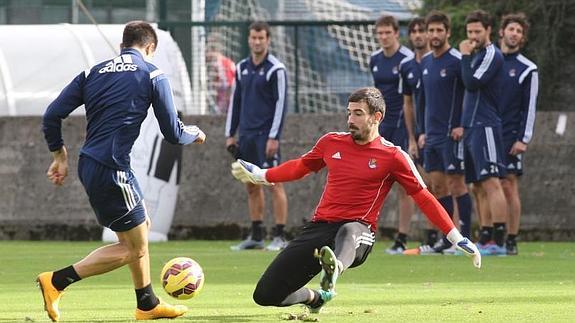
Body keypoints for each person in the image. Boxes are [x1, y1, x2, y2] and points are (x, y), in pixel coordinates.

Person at [229, 87, 480, 313]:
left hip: (359, 233)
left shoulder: (394, 156)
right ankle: (316, 297)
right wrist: (261, 174)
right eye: (349, 113)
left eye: (358, 113)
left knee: (348, 231)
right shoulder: (330, 142)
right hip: (319, 228)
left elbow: (423, 197)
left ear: (377, 117)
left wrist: (456, 237)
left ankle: (334, 269)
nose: (350, 120)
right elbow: (300, 167)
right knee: (265, 294)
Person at [38, 21, 206, 322]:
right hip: (112, 168)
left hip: (91, 163)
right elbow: (172, 131)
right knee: (134, 248)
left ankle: (147, 303)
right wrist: (194, 132)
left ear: (121, 46)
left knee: (140, 228)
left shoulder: (93, 72)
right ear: (150, 47)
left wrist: (59, 155)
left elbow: (52, 114)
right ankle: (56, 281)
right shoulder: (152, 74)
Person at [225, 21, 289, 251]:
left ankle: (280, 235)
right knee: (251, 185)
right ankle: (257, 235)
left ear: (268, 40)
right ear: (248, 39)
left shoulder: (276, 69)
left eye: (261, 38)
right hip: (247, 136)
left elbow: (282, 105)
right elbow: (236, 102)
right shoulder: (241, 68)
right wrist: (230, 134)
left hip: (266, 136)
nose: (257, 41)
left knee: (274, 183)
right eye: (253, 37)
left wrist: (274, 136)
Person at [415, 11, 474, 254]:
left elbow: (469, 94)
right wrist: (421, 131)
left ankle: (466, 238)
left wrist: (462, 124)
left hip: (452, 134)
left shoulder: (457, 61)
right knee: (437, 187)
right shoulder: (426, 62)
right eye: (432, 30)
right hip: (432, 135)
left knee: (457, 184)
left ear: (448, 32)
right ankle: (447, 238)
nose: (435, 34)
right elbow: (422, 100)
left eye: (440, 30)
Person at [459, 10, 508, 255]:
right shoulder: (475, 55)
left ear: (488, 30)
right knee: (476, 186)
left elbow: (471, 82)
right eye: (470, 32)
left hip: (485, 125)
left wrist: (465, 56)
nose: (473, 36)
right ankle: (486, 236)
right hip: (470, 127)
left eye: (478, 31)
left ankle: (500, 241)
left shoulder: (491, 54)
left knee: (491, 182)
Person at [369, 15, 416, 254]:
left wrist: (411, 134)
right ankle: (364, 230)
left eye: (388, 32)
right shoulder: (375, 59)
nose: (384, 37)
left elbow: (411, 98)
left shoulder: (407, 59)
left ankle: (403, 236)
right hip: (380, 129)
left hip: (401, 127)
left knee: (405, 184)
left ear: (397, 33)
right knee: (371, 179)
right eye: (381, 33)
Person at [498, 13, 539, 255]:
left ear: (522, 38)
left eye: (519, 31)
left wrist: (523, 138)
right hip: (487, 134)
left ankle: (511, 238)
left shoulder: (527, 68)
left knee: (509, 184)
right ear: (502, 31)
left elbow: (529, 107)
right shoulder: (489, 61)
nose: (514, 33)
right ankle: (492, 236)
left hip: (511, 135)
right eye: (511, 28)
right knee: (483, 186)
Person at [399, 17, 440, 249]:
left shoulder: (435, 63)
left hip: (437, 132)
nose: (418, 35)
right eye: (413, 31)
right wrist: (412, 138)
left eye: (421, 30)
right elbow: (409, 103)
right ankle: (431, 236)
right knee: (422, 185)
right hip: (419, 135)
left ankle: (447, 236)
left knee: (440, 185)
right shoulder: (407, 66)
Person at [206, 43, 236, 114]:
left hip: (228, 102)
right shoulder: (220, 63)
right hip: (222, 100)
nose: (206, 55)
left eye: (208, 52)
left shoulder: (223, 63)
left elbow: (229, 84)